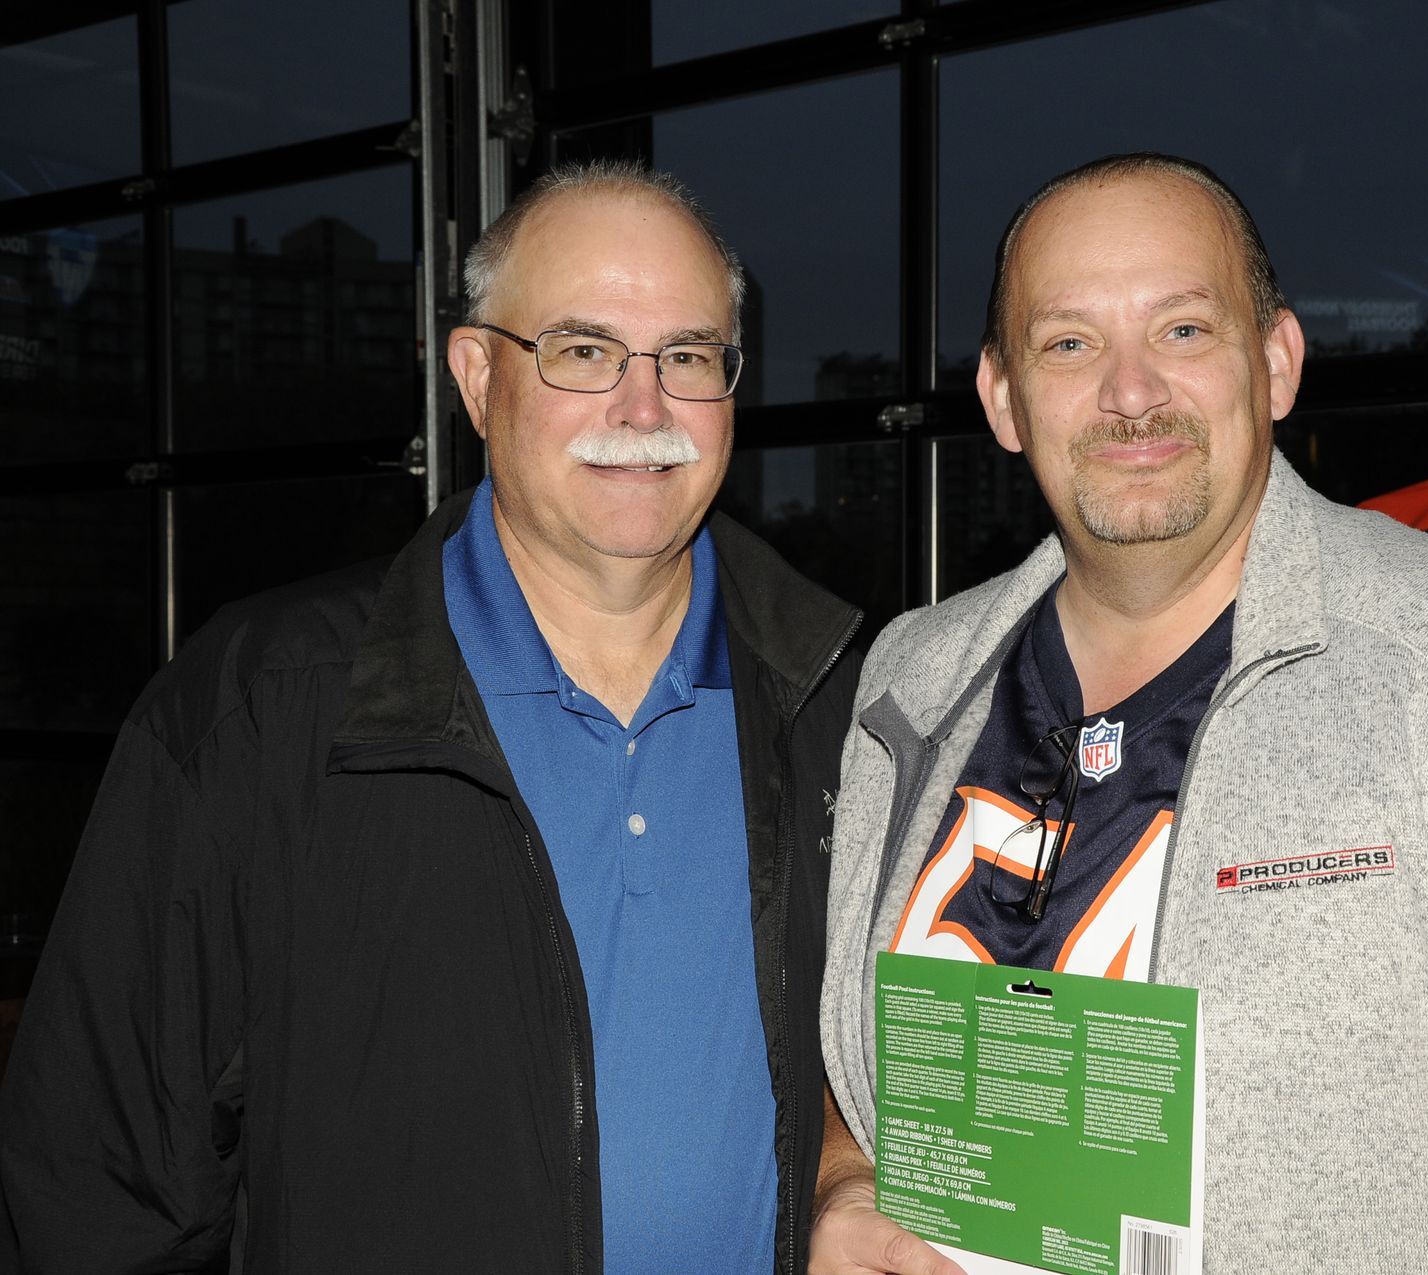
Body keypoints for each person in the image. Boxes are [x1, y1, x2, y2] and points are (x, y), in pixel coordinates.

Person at [811, 154, 1428, 1274]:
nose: (1132, 393)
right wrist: (846, 1179)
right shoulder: (911, 680)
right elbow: (856, 1044)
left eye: (1183, 330)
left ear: (1277, 362)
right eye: (1071, 342)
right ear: (1001, 398)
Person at [0, 160, 862, 1274]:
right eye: (583, 350)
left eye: (688, 357)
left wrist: (848, 1169)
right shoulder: (266, 709)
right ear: (475, 376)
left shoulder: (839, 709)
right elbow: (98, 1188)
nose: (643, 408)